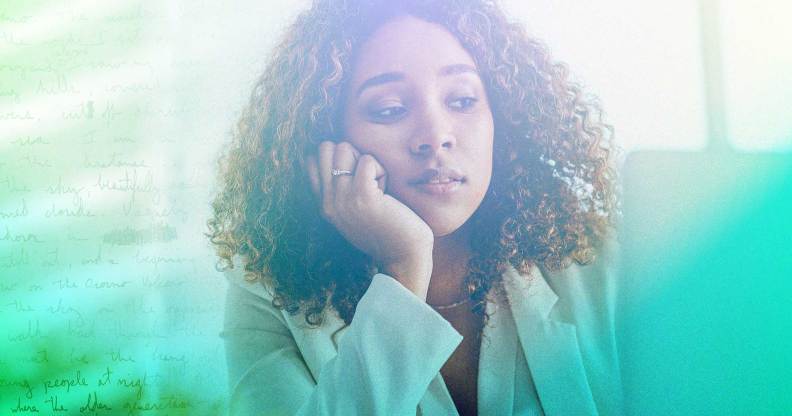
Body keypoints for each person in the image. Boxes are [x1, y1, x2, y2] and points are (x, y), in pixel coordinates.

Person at [208, 0, 621, 415]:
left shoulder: (601, 265)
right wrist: (404, 267)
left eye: (461, 101)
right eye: (390, 109)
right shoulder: (265, 288)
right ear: (324, 140)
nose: (435, 135)